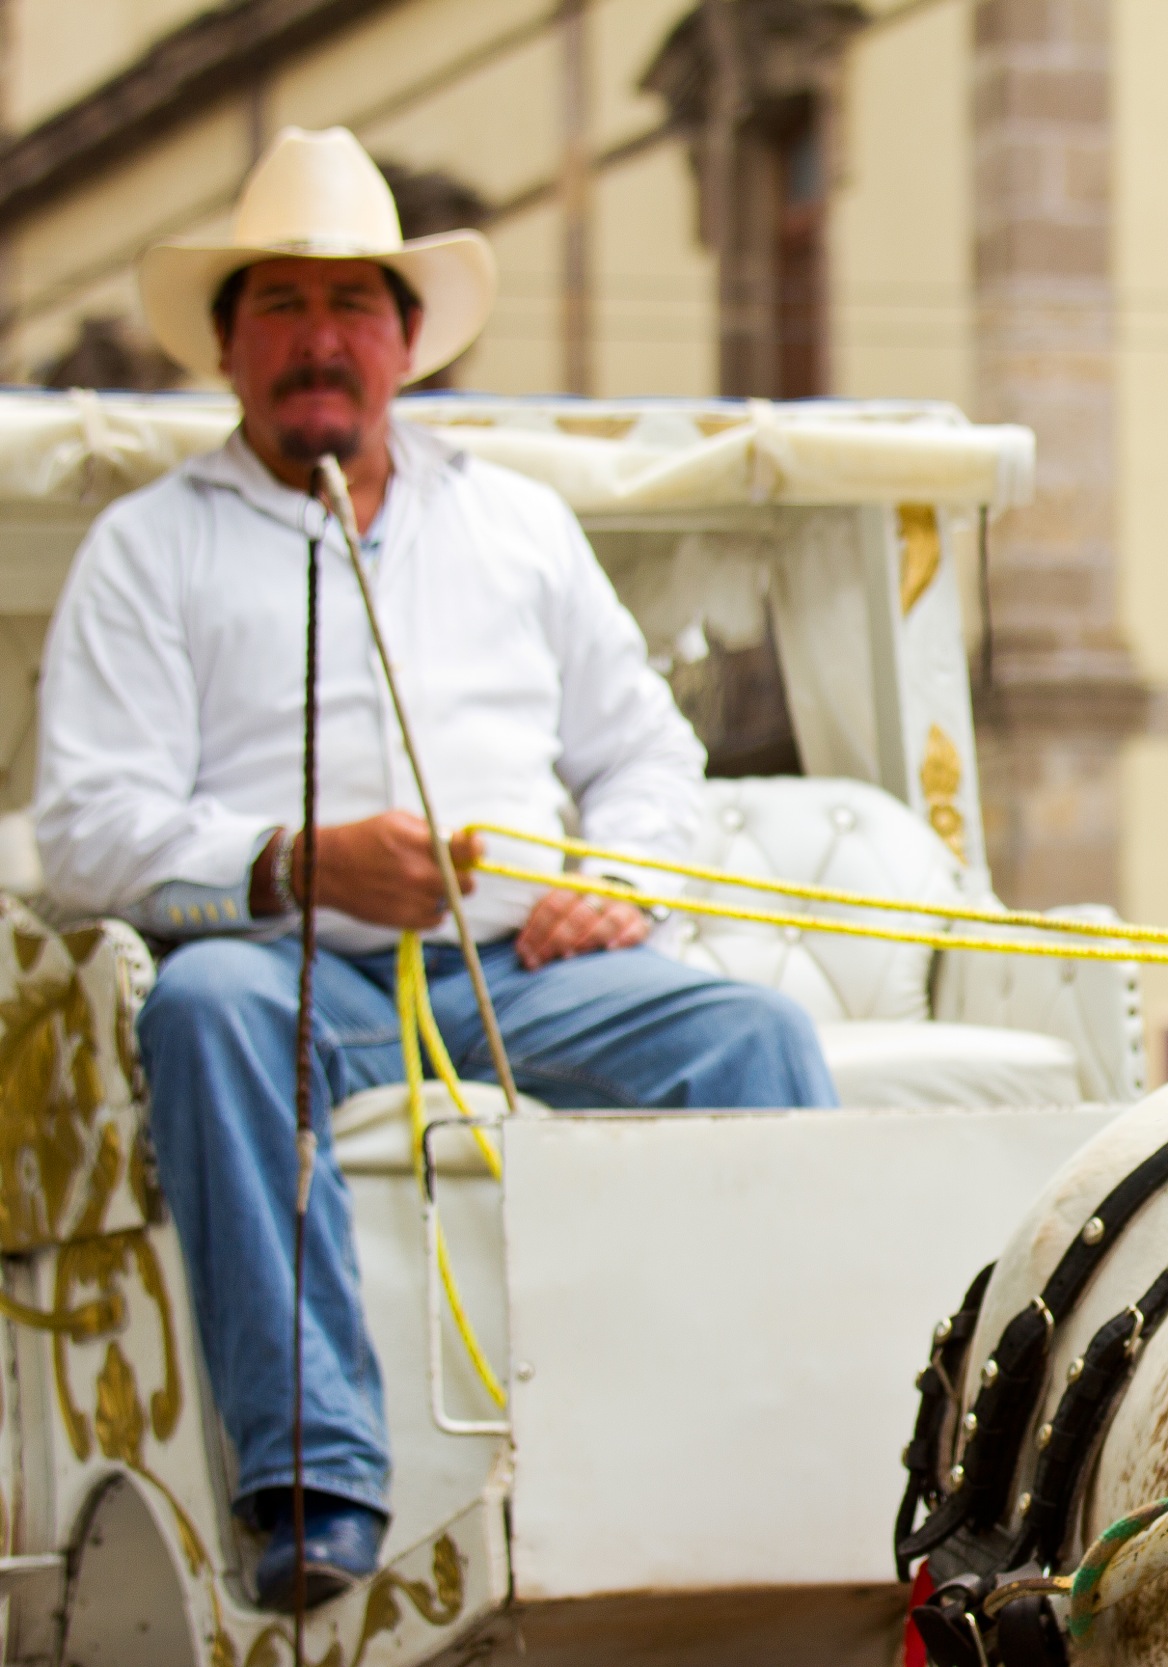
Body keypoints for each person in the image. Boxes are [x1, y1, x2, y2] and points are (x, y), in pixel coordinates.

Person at [34, 128, 836, 1608]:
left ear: (406, 339)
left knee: (754, 1035)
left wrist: (624, 883)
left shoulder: (517, 527)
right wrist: (292, 863)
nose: (319, 339)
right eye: (281, 304)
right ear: (229, 346)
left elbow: (648, 759)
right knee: (208, 1005)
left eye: (352, 305)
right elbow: (86, 832)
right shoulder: (149, 551)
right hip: (291, 979)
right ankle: (312, 1477)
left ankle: (787, 1446)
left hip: (515, 971)